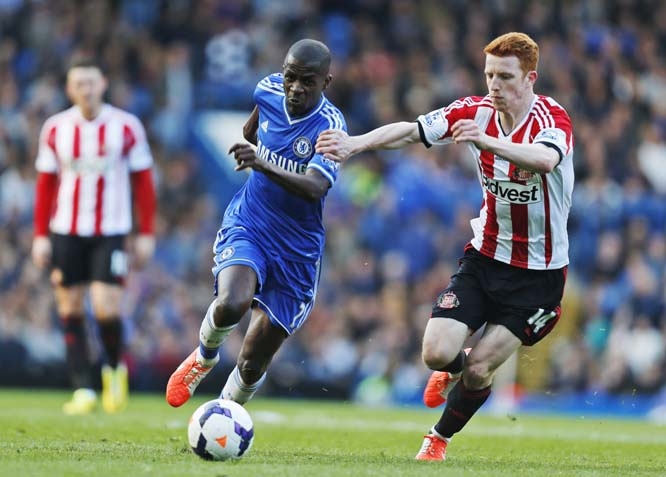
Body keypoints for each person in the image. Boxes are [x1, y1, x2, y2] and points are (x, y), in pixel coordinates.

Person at [316, 32, 574, 461]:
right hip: (486, 257)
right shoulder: (473, 111)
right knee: (436, 352)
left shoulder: (552, 118)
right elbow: (413, 130)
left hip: (539, 275)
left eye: (505, 76)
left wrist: (484, 142)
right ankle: (452, 367)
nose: (494, 85)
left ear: (530, 78)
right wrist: (355, 144)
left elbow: (544, 159)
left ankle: (437, 439)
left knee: (478, 370)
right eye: (490, 74)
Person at [165, 39, 346, 409]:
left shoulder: (331, 128)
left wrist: (262, 163)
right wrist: (252, 151)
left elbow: (314, 188)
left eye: (307, 81)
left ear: (326, 82)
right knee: (232, 302)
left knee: (251, 362)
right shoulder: (266, 89)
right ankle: (203, 358)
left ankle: (223, 412)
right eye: (290, 77)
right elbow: (252, 131)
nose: (295, 87)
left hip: (297, 250)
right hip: (251, 222)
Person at [31, 59, 157, 415]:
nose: (86, 89)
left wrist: (145, 232)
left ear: (103, 83)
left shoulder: (126, 127)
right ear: (70, 89)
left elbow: (144, 183)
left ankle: (114, 368)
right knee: (69, 307)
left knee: (106, 308)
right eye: (78, 84)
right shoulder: (56, 128)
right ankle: (83, 388)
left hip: (111, 231)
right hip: (66, 230)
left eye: (91, 81)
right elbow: (45, 185)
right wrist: (40, 235)